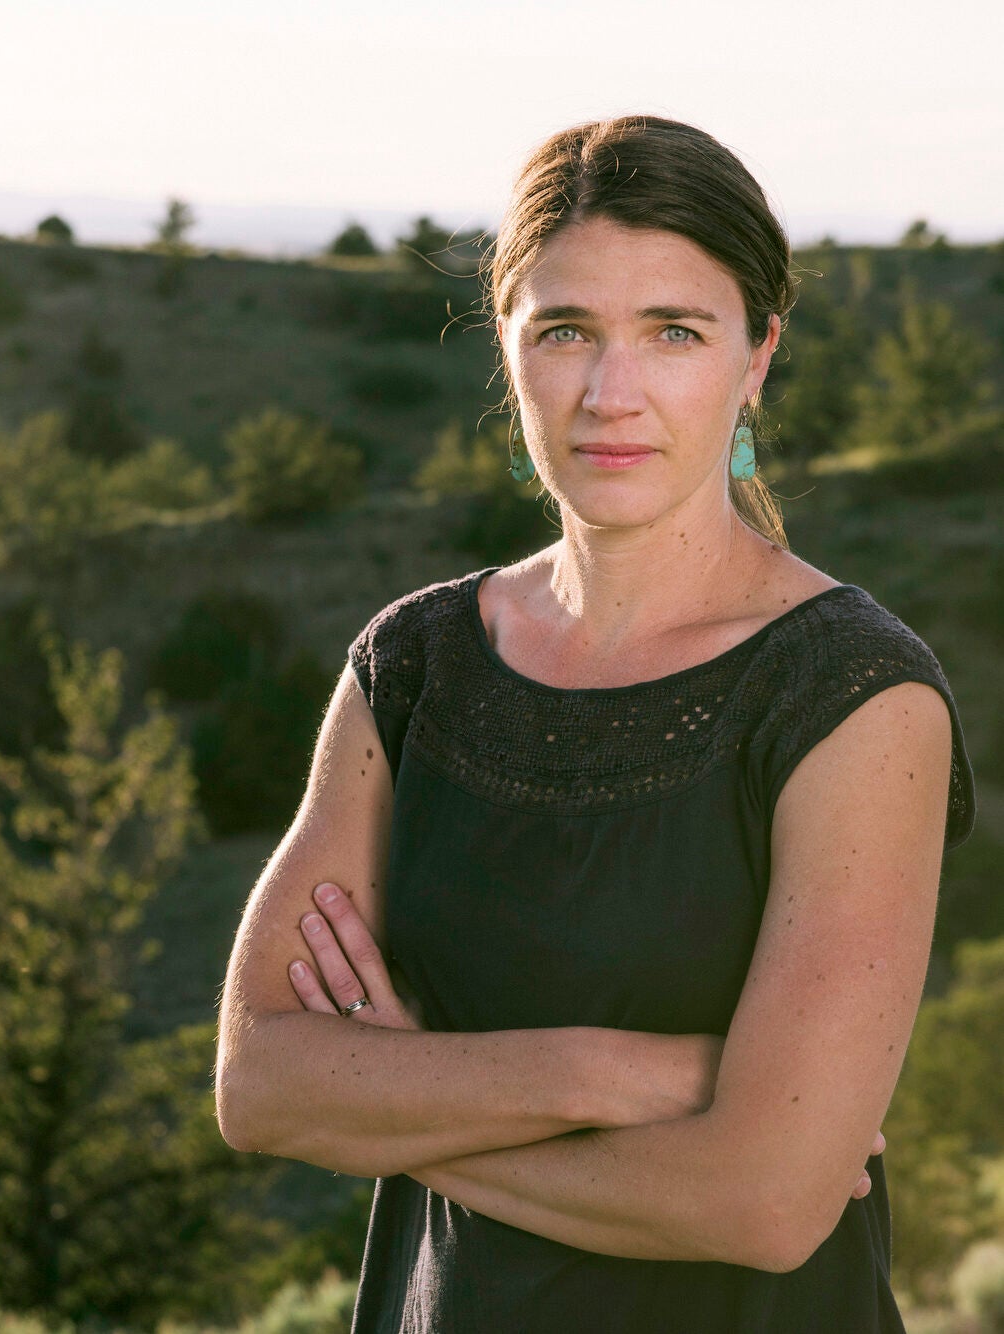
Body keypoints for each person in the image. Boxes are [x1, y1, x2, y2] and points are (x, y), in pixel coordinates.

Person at [214, 115, 976, 1333]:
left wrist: (407, 1108)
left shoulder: (852, 693)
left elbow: (767, 1203)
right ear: (506, 348)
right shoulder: (409, 666)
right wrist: (614, 1072)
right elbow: (260, 1084)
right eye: (564, 329)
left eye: (673, 331)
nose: (609, 393)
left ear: (756, 354)